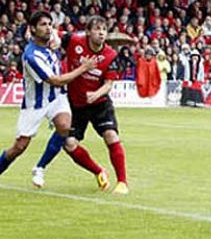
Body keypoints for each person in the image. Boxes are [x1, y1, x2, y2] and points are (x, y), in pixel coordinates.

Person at [32, 16, 129, 194]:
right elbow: (55, 33)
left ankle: (122, 182)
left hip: (100, 104)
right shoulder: (74, 41)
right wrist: (54, 40)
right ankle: (99, 171)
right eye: (97, 29)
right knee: (68, 144)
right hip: (75, 105)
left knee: (111, 136)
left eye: (104, 30)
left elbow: (108, 84)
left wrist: (96, 94)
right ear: (89, 31)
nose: (101, 33)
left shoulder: (110, 55)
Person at [0, 11, 96, 179]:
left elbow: (70, 37)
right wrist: (83, 68)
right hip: (35, 103)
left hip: (56, 98)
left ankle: (40, 167)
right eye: (43, 25)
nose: (47, 28)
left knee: (65, 126)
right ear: (33, 29)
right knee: (19, 147)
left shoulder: (52, 42)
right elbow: (56, 80)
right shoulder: (31, 56)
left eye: (49, 24)